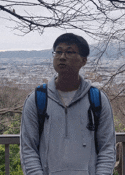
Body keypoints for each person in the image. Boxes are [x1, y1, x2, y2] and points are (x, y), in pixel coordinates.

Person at [20, 33, 116, 175]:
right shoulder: (37, 99)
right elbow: (28, 148)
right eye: (58, 51)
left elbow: (107, 149)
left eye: (69, 52)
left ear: (83, 60)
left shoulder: (97, 99)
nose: (62, 57)